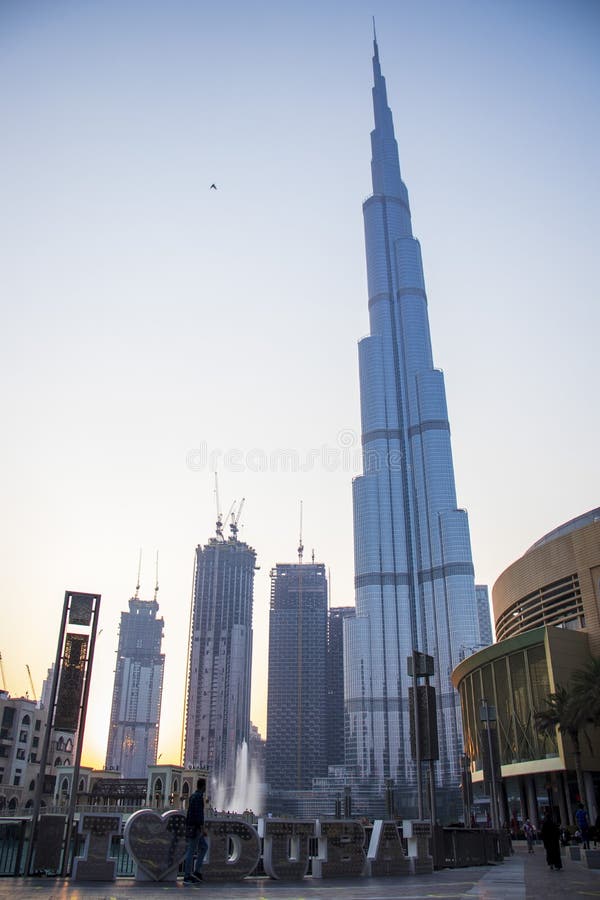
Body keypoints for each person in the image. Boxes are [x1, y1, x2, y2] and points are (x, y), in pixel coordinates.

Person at [183, 777, 208, 884]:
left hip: (192, 827)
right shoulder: (198, 797)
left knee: (204, 847)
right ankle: (187, 876)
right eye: (205, 786)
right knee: (191, 851)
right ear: (203, 786)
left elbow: (190, 813)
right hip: (196, 828)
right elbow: (199, 815)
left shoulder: (193, 796)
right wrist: (203, 829)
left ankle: (197, 871)